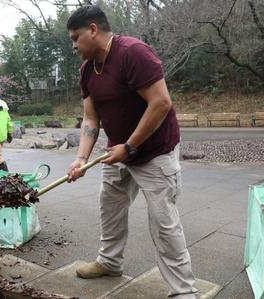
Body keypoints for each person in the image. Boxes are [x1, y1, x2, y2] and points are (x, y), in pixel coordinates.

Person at [66, 6, 197, 299]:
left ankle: (183, 291)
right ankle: (109, 262)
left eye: (76, 38)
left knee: (163, 222)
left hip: (154, 152)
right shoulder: (87, 70)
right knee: (109, 207)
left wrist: (130, 146)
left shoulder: (133, 53)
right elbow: (90, 118)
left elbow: (161, 103)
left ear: (93, 29)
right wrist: (81, 158)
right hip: (118, 151)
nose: (74, 45)